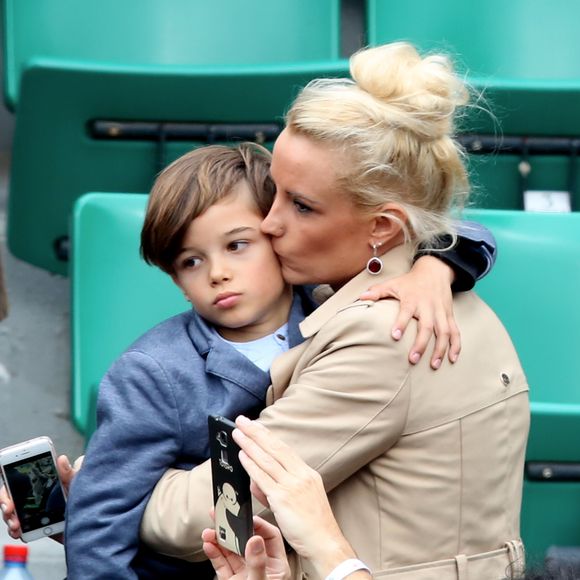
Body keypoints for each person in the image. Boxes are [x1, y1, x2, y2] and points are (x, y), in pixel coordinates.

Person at [0, 141, 492, 578]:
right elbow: (102, 515)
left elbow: (470, 231)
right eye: (191, 261)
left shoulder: (331, 307)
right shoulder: (152, 372)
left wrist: (435, 268)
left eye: (238, 245)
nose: (218, 273)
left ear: (278, 234)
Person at [138, 41, 530, 580]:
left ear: (383, 228)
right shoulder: (440, 285)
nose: (268, 224)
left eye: (301, 206)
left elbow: (214, 512)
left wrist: (99, 481)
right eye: (275, 192)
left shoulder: (385, 338)